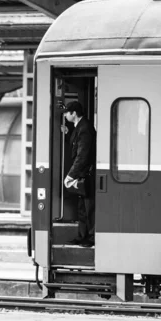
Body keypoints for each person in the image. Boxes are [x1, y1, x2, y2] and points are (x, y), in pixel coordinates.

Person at [63, 101, 96, 247]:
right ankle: (83, 236)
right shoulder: (79, 127)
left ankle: (91, 237)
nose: (65, 115)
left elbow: (82, 155)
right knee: (83, 208)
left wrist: (70, 175)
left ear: (73, 113)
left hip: (86, 175)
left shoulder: (85, 128)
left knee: (89, 208)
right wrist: (67, 132)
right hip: (82, 175)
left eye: (66, 113)